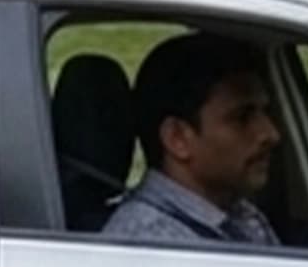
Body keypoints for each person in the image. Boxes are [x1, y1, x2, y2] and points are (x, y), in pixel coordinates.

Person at [101, 29, 283, 247]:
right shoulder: (152, 247)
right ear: (177, 138)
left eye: (265, 112)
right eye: (242, 118)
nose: (271, 134)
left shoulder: (236, 215)